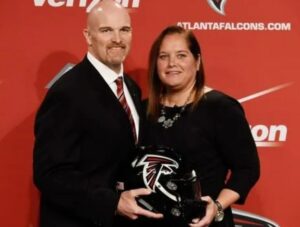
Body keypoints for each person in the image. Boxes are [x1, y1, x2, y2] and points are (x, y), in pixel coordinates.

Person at [33, 1, 162, 227]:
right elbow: (50, 174)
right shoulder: (67, 92)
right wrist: (112, 203)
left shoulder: (131, 87)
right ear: (88, 36)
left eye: (124, 30)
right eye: (106, 30)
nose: (117, 39)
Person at [139, 25, 260, 227]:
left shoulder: (220, 108)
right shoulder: (143, 109)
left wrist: (218, 207)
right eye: (163, 56)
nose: (171, 64)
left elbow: (247, 169)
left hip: (203, 222)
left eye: (181, 55)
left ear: (197, 62)